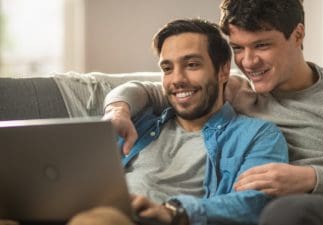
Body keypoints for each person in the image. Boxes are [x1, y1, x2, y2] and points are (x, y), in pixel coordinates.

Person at [102, 1, 323, 225]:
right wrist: (118, 109)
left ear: (298, 35)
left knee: (288, 210)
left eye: (261, 45)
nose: (248, 61)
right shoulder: (234, 90)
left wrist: (311, 178)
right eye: (238, 48)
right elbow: (151, 88)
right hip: (257, 207)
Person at [70, 18, 288, 225]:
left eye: (192, 65)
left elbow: (256, 203)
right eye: (167, 69)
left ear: (223, 70)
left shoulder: (257, 135)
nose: (177, 80)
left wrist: (174, 212)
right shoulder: (139, 123)